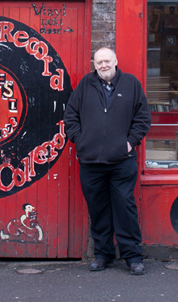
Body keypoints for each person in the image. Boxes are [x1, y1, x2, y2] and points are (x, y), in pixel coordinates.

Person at [64, 47, 151, 276]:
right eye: (99, 62)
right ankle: (103, 255)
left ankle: (133, 257)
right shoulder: (85, 84)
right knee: (98, 210)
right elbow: (70, 115)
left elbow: (142, 118)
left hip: (122, 160)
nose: (103, 65)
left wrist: (130, 142)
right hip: (91, 162)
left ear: (116, 61)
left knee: (125, 207)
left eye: (107, 61)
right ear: (94, 64)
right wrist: (80, 140)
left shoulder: (131, 83)